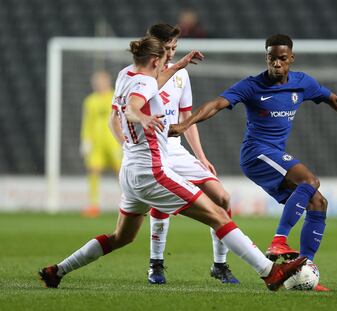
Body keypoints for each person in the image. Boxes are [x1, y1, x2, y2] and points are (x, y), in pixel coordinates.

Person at [38, 36, 306, 291]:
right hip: (152, 171)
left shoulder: (126, 75)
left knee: (121, 237)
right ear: (155, 60)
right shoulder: (144, 85)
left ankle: (57, 271)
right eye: (166, 56)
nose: (168, 61)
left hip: (130, 172)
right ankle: (270, 273)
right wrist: (141, 118)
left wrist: (179, 66)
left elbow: (144, 90)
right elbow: (133, 106)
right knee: (218, 215)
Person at [169, 34, 337, 291]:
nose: (276, 64)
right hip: (256, 154)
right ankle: (279, 241)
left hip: (273, 153)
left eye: (282, 59)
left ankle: (303, 270)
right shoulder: (252, 85)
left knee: (318, 202)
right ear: (266, 58)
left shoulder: (302, 83)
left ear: (291, 59)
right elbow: (216, 104)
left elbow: (336, 101)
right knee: (310, 180)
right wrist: (186, 123)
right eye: (271, 58)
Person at [143, 23, 238, 285]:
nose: (172, 53)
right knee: (160, 205)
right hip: (152, 151)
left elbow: (187, 118)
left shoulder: (182, 76)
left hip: (176, 151)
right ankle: (156, 264)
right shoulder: (140, 76)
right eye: (167, 48)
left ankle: (220, 265)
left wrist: (201, 156)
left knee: (223, 199)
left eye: (175, 47)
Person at [80, 70, 122, 217]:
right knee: (93, 171)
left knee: (122, 173)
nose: (99, 84)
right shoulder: (90, 101)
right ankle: (93, 205)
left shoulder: (115, 96)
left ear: (108, 82)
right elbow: (87, 122)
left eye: (101, 81)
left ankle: (131, 202)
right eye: (96, 81)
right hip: (96, 143)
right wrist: (85, 140)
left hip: (114, 141)